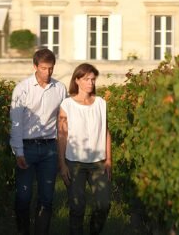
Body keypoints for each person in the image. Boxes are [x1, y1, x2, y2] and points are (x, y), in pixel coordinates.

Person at [10, 48, 68, 235]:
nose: (48, 72)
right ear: (35, 66)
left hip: (50, 148)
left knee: (46, 198)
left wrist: (63, 153)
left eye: (51, 68)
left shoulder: (60, 89)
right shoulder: (22, 89)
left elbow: (63, 121)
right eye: (43, 68)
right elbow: (16, 123)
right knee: (23, 197)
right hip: (27, 147)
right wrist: (18, 151)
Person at [57, 63, 112, 235]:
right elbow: (62, 135)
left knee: (104, 204)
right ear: (77, 80)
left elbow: (106, 132)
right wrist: (62, 164)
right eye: (87, 79)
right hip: (74, 163)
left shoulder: (101, 103)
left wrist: (109, 160)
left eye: (93, 79)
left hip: (98, 162)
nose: (91, 83)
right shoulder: (67, 105)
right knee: (77, 207)